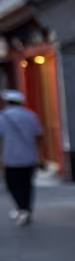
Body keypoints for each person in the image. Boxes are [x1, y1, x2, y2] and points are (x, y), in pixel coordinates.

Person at [0, 89, 43, 226]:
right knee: (27, 184)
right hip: (29, 156)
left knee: (12, 184)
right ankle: (26, 208)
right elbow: (39, 136)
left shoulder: (3, 117)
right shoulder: (31, 116)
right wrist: (40, 156)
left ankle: (21, 207)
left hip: (10, 157)